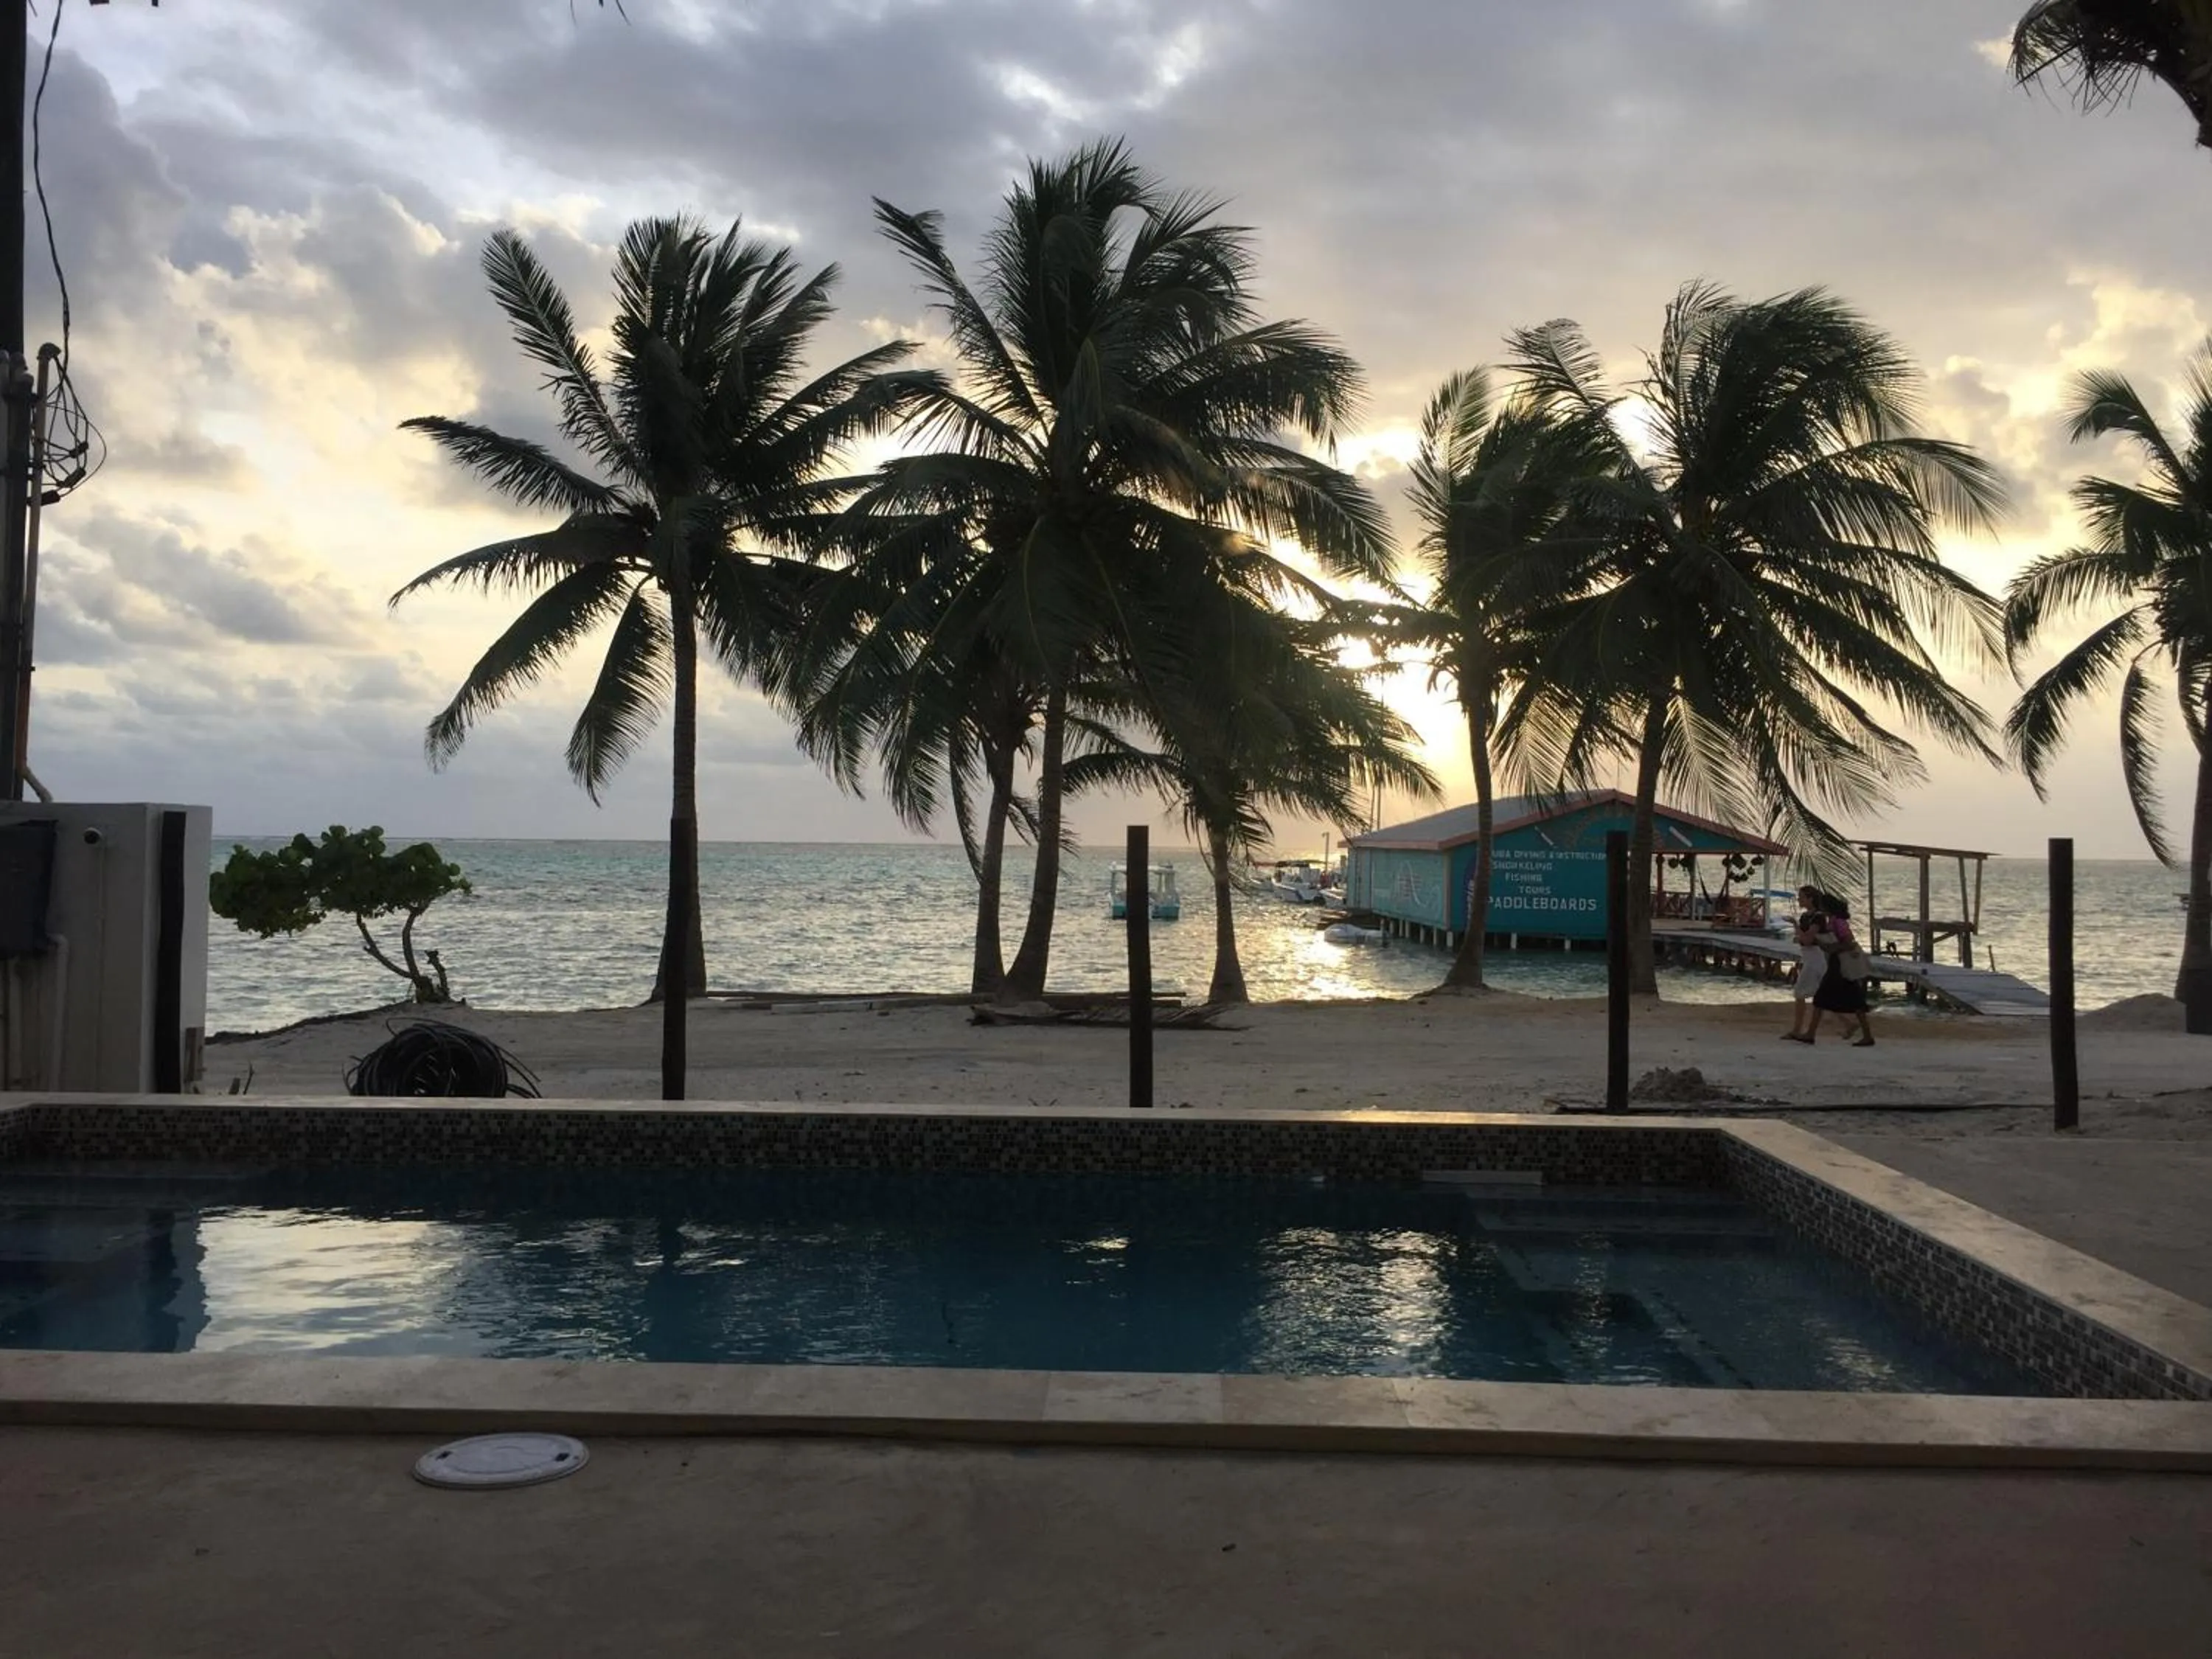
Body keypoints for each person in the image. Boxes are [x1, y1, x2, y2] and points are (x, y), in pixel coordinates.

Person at [1795, 891, 1875, 1048]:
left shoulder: (1838, 922)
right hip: (1836, 963)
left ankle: (1811, 1034)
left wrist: (1829, 946)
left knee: (1824, 999)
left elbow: (1849, 942)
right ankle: (1866, 1035)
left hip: (1840, 965)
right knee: (1849, 1000)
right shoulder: (1833, 921)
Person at [1781, 885, 1826, 1040]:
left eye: (1801, 897)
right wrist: (1799, 933)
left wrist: (1795, 926)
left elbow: (1807, 939)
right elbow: (1802, 937)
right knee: (1823, 995)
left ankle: (1797, 1030)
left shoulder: (1818, 917)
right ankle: (1849, 1024)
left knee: (1800, 992)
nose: (1799, 900)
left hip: (1816, 958)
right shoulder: (1805, 916)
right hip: (1808, 957)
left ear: (1810, 899)